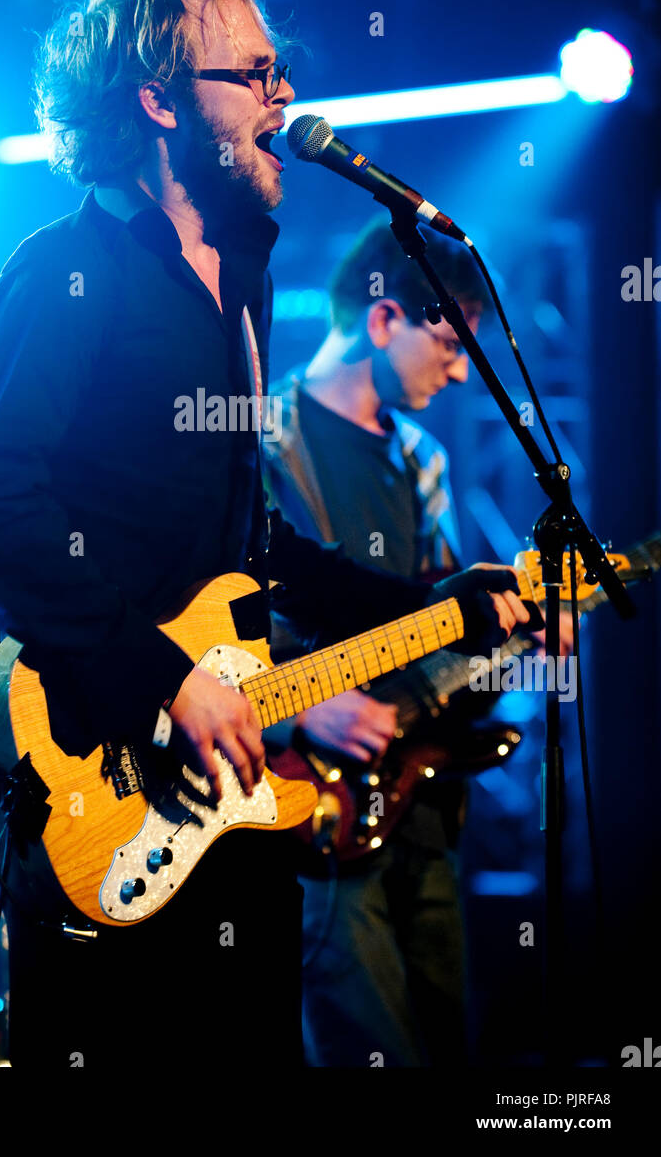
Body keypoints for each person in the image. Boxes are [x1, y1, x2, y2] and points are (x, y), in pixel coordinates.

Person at [0, 0, 528, 1067]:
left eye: (278, 69)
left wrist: (431, 604)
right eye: (253, 73)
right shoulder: (63, 272)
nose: (282, 96)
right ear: (158, 98)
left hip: (229, 797)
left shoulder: (241, 284)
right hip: (105, 782)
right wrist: (164, 675)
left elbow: (256, 546)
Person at [262, 219, 521, 1066]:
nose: (458, 372)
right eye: (449, 347)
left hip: (426, 806)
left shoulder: (424, 462)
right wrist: (303, 708)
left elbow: (441, 638)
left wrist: (518, 629)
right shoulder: (264, 439)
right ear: (384, 320)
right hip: (316, 809)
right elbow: (222, 619)